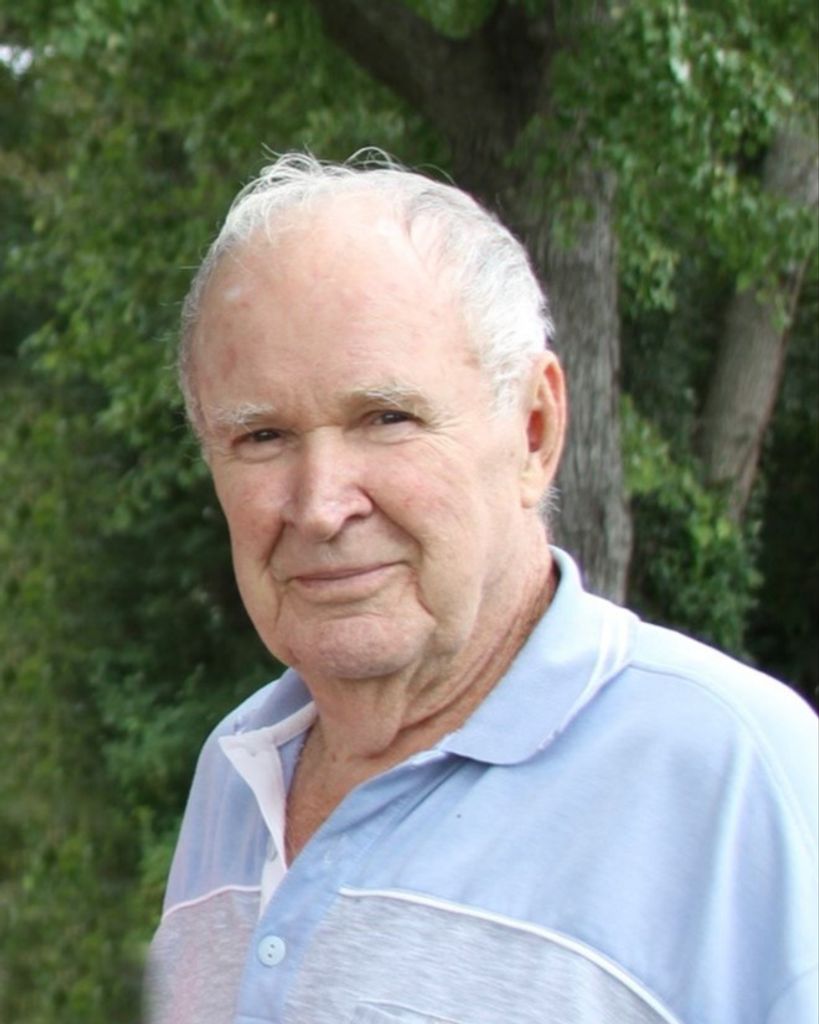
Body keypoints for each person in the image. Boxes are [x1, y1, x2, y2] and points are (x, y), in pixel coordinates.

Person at [147, 152, 818, 1024]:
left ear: (533, 431)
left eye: (386, 418)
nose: (319, 505)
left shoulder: (739, 776)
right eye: (261, 436)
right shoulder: (239, 771)